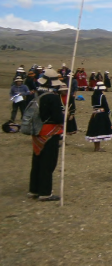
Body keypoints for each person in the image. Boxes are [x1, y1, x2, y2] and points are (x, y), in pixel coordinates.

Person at [28, 68, 64, 201]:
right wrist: (63, 117)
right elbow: (57, 117)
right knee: (47, 163)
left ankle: (34, 189)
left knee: (37, 160)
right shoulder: (52, 98)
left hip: (37, 132)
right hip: (49, 133)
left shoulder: (38, 95)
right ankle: (45, 192)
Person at [85, 82, 112, 152]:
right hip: (101, 114)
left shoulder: (93, 96)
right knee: (100, 131)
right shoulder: (102, 96)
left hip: (94, 114)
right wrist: (108, 112)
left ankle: (96, 147)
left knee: (95, 130)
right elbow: (105, 106)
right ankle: (97, 148)